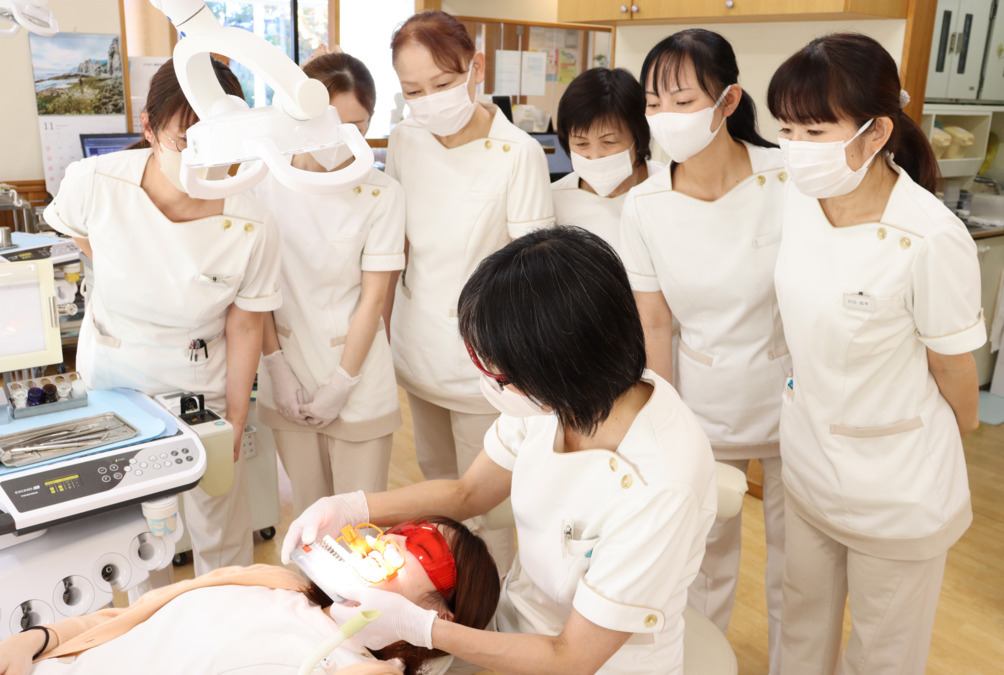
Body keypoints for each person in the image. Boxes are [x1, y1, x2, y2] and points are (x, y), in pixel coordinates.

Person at [283, 227, 718, 674]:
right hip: (514, 625)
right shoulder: (563, 399)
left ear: (562, 368)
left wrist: (423, 630)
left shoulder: (661, 486)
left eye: (501, 377)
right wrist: (353, 508)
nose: (490, 384)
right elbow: (468, 493)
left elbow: (572, 658)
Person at [767, 33, 984, 674]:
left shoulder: (929, 235)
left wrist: (958, 427)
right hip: (808, 464)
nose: (797, 149)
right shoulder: (799, 200)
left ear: (876, 131)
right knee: (800, 629)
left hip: (896, 487)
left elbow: (953, 368)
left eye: (815, 130)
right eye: (787, 129)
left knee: (882, 655)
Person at [42, 58, 280, 578]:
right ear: (148, 128)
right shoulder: (96, 181)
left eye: (218, 145)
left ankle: (226, 629)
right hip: (116, 377)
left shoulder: (252, 221)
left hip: (201, 380)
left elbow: (244, 325)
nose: (203, 161)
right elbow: (81, 238)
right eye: (184, 141)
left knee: (219, 525)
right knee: (136, 538)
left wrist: (236, 421)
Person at [618, 28, 787, 671]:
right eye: (653, 103)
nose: (664, 117)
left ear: (728, 101)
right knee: (704, 558)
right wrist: (667, 419)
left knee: (795, 564)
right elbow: (655, 325)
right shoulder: (646, 204)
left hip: (789, 395)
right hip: (703, 399)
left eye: (682, 100)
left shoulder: (785, 178)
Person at [383, 10, 554, 572]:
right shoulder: (406, 140)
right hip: (419, 347)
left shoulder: (518, 154)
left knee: (488, 508)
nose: (429, 100)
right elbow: (399, 249)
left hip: (485, 362)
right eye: (414, 91)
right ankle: (451, 607)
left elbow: (533, 275)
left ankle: (496, 626)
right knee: (437, 492)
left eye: (443, 84)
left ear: (475, 67)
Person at [0, 517, 500, 675]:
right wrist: (33, 641)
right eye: (398, 530)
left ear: (439, 611)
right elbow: (126, 620)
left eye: (423, 547)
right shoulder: (269, 580)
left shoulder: (355, 667)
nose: (389, 540)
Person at [255, 50, 405, 516]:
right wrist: (277, 369)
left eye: (357, 128)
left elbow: (374, 299)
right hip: (287, 368)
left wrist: (342, 383)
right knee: (306, 518)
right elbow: (254, 293)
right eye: (329, 124)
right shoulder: (261, 184)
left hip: (357, 374)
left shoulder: (381, 193)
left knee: (357, 528)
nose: (342, 140)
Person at [551, 67, 664, 250]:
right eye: (581, 144)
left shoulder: (668, 187)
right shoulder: (554, 200)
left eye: (609, 142)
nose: (595, 156)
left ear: (638, 138)